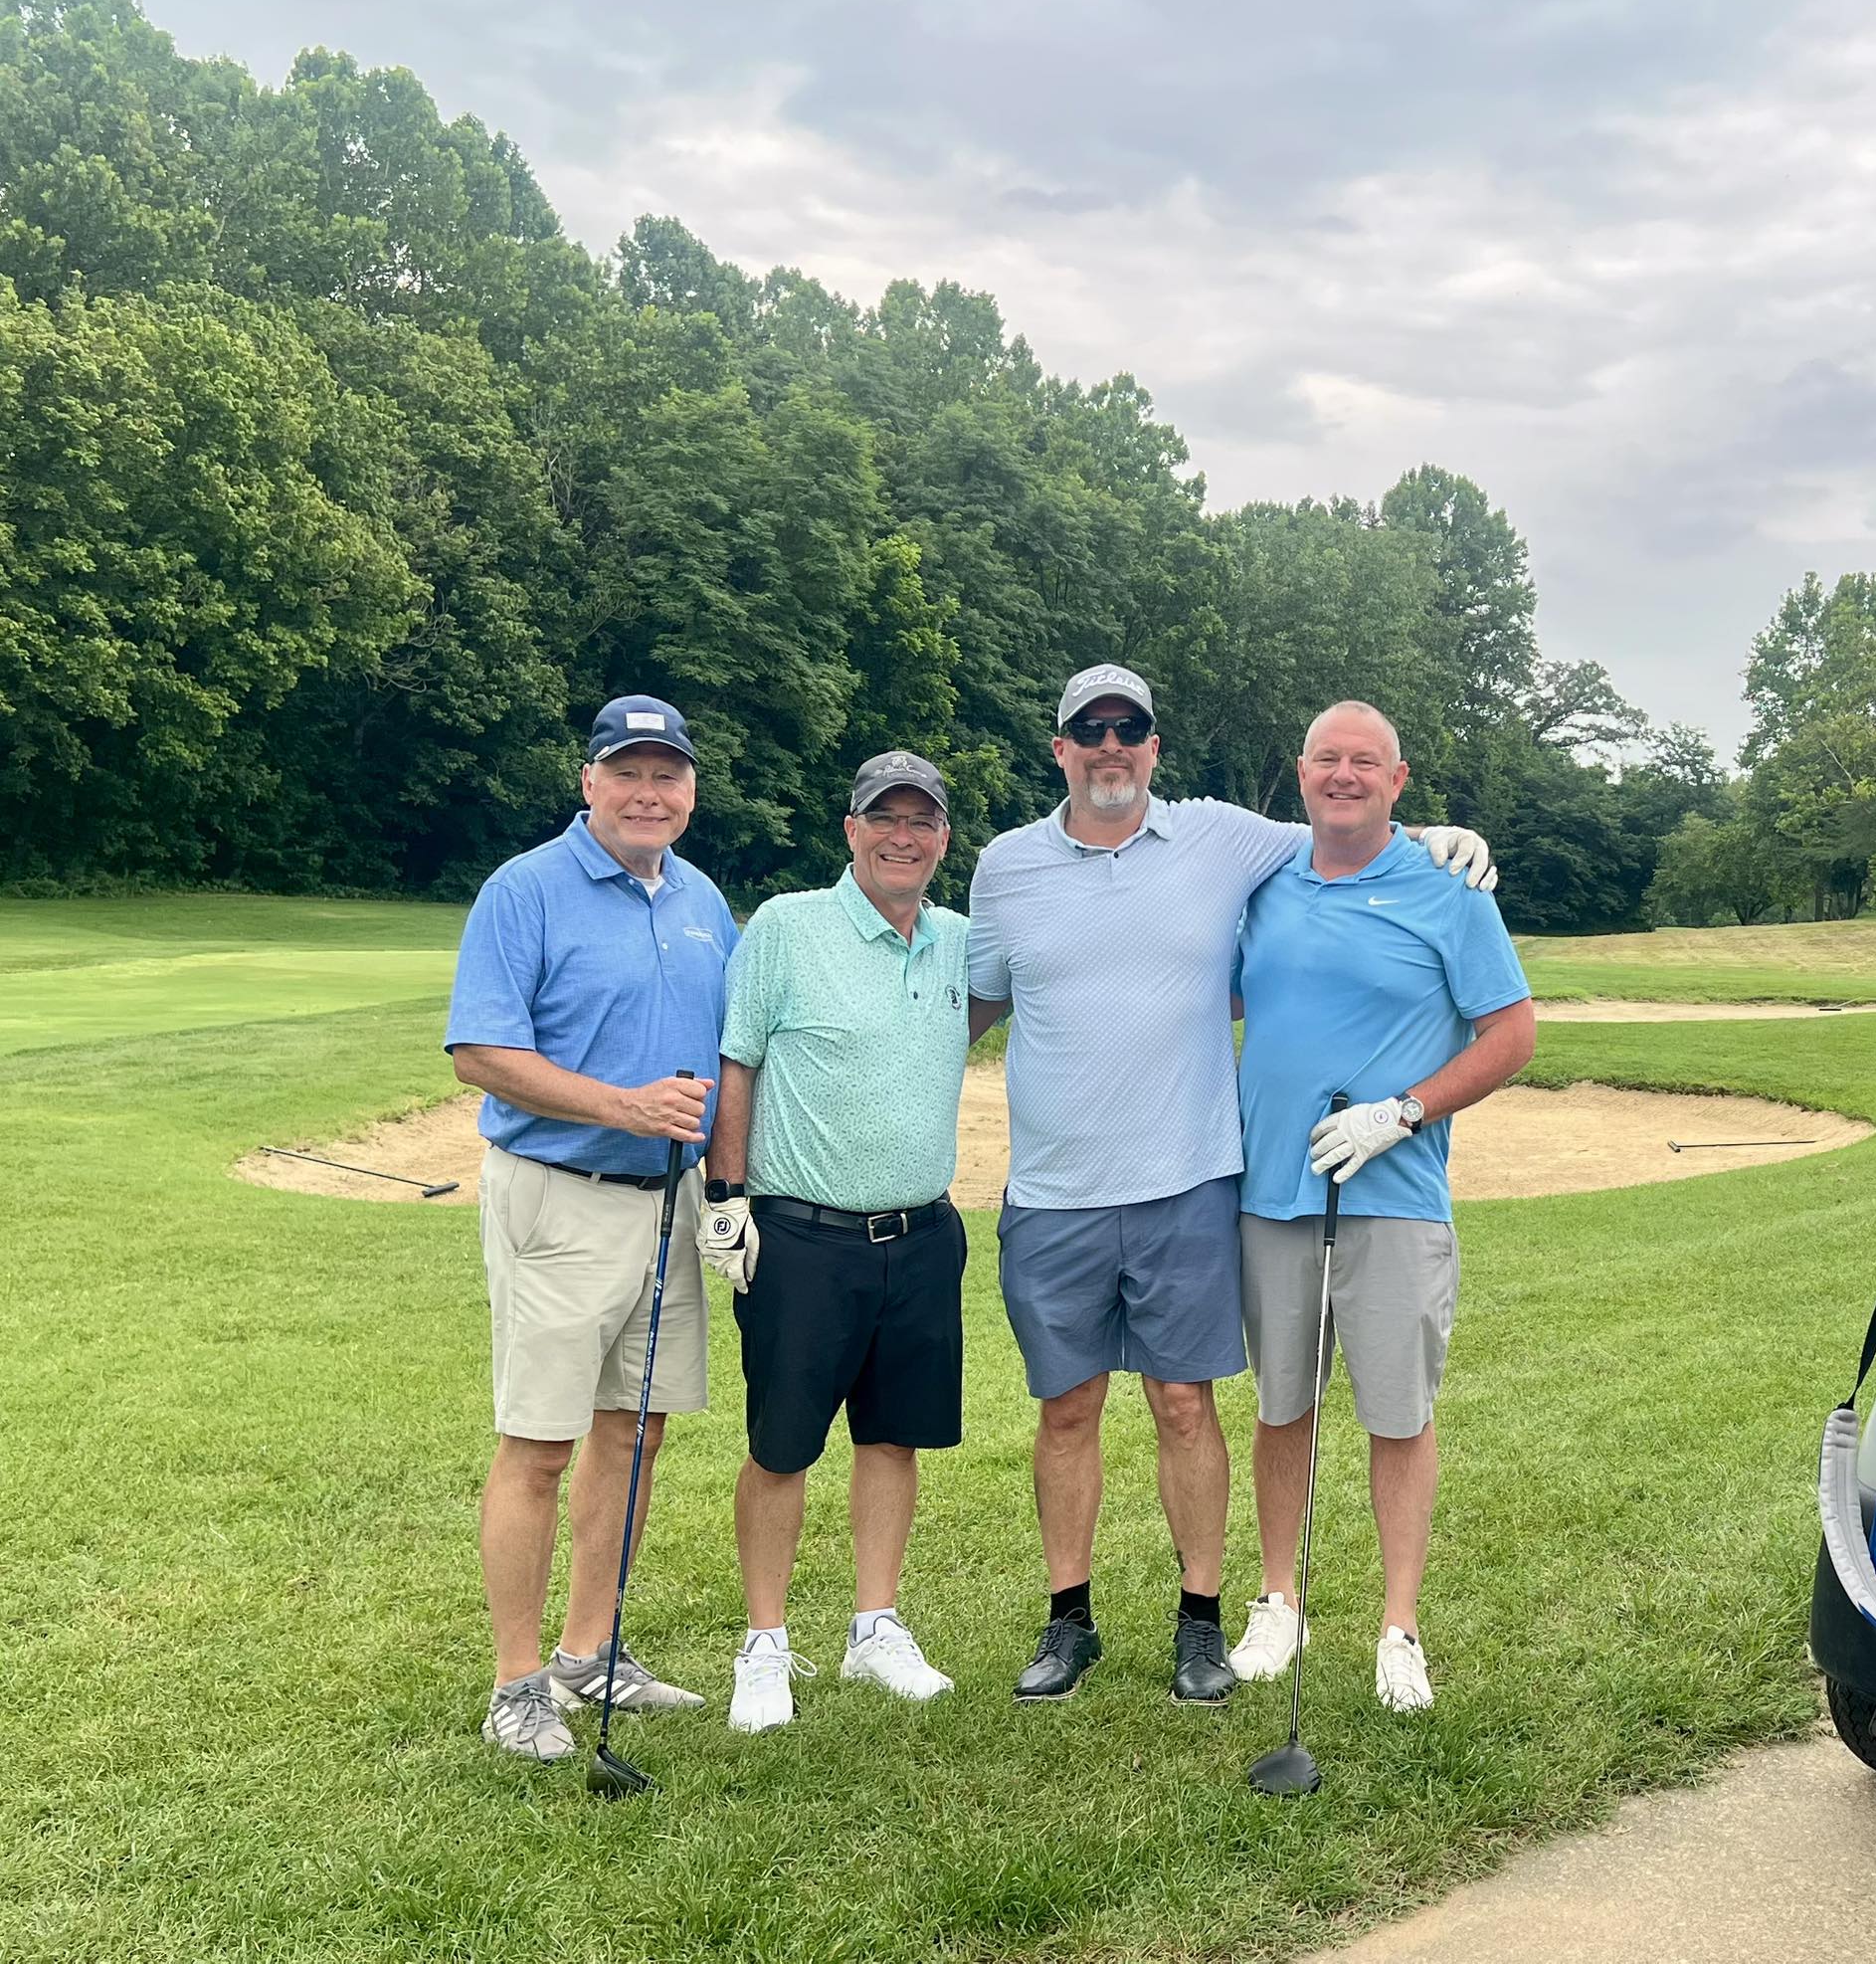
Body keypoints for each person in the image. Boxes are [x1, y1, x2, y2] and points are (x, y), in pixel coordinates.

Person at [966, 665, 1496, 1706]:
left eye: (1130, 728)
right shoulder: (1005, 866)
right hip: (1054, 1188)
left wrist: (1434, 832)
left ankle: (1203, 1624)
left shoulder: (1215, 833)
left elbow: (1342, 825)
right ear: (1060, 746)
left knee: (1184, 1402)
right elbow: (971, 1006)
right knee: (1067, 1408)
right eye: (1090, 729)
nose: (1110, 745)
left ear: (1155, 747)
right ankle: (1068, 1620)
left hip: (1190, 1181)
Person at [446, 693, 736, 1764]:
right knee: (538, 1443)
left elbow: (736, 1054)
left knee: (638, 1427)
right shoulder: (526, 889)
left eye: (668, 774)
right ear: (589, 781)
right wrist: (622, 1104)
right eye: (629, 771)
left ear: (691, 791)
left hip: (669, 1203)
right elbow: (481, 1050)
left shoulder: (704, 900)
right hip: (559, 1194)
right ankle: (517, 1682)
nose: (649, 792)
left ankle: (588, 1648)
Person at [1229, 698, 1535, 1710]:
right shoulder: (1264, 881)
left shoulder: (1449, 891)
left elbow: (1511, 1034)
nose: (1345, 774)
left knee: (1398, 1414)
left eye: (1368, 761)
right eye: (1328, 758)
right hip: (1272, 1190)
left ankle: (1399, 1625)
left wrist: (1402, 1112)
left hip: (1394, 1193)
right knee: (1283, 1404)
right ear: (1302, 770)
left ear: (1399, 781)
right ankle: (1280, 1598)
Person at [698, 751, 972, 1733]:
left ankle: (874, 1625)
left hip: (922, 1233)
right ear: (850, 828)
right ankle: (765, 1642)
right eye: (883, 818)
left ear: (944, 837)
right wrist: (724, 1196)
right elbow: (739, 1061)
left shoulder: (958, 943)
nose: (903, 836)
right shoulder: (787, 926)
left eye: (922, 821)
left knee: (891, 1436)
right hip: (801, 1235)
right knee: (781, 1444)